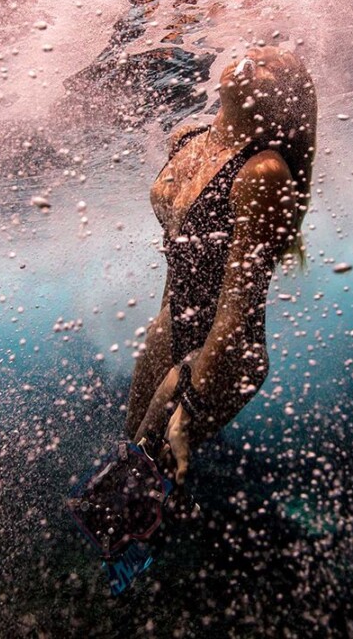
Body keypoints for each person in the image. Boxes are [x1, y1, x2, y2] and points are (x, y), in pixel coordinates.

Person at [126, 46, 317, 490]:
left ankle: (156, 552)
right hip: (174, 323)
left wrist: (191, 402)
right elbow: (179, 258)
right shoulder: (188, 140)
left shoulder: (263, 173)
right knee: (129, 460)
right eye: (259, 50)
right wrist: (164, 324)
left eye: (276, 67)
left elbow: (237, 312)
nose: (259, 55)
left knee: (147, 480)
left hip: (230, 354)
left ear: (284, 104)